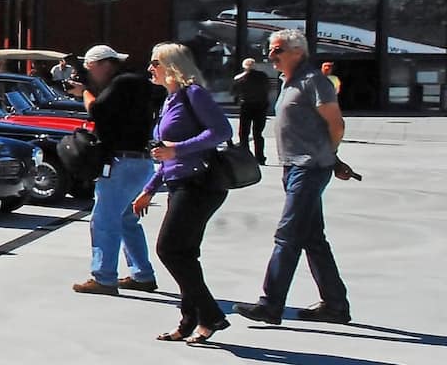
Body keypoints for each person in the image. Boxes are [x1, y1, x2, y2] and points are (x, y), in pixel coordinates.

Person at [234, 29, 354, 325]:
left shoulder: (314, 81)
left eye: (277, 50)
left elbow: (336, 125)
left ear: (297, 51)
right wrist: (331, 158)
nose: (271, 56)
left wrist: (328, 156)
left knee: (286, 236)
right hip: (295, 166)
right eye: (270, 50)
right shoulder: (290, 81)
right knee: (313, 239)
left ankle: (270, 305)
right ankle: (335, 305)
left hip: (308, 169)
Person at [135, 43, 235, 343]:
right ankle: (190, 322)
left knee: (169, 250)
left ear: (171, 65)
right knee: (186, 254)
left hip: (200, 185)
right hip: (180, 183)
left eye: (155, 63)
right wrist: (149, 189)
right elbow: (165, 154)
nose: (150, 68)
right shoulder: (169, 100)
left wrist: (178, 148)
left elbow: (221, 132)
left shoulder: (193, 94)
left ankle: (212, 315)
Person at [66, 44, 163, 295]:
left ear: (105, 64)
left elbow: (97, 111)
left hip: (121, 162)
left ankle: (104, 277)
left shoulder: (123, 83)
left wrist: (85, 91)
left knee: (104, 221)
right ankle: (142, 274)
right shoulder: (136, 83)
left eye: (90, 68)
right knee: (127, 219)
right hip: (139, 160)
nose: (88, 73)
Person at [232, 58, 271, 165]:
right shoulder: (263, 76)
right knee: (258, 133)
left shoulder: (240, 78)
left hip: (246, 105)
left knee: (244, 133)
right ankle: (260, 157)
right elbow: (268, 88)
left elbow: (234, 91)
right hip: (261, 106)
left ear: (244, 66)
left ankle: (245, 156)